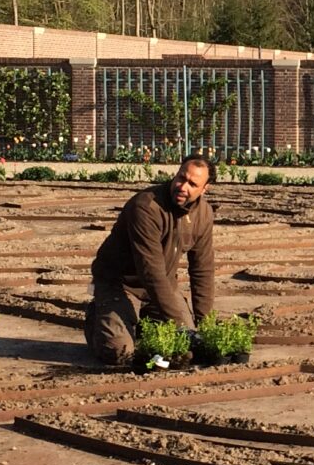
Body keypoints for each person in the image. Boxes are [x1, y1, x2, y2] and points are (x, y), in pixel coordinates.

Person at [86, 154, 217, 367]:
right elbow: (150, 270)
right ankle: (97, 321)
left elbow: (202, 269)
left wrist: (206, 326)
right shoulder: (147, 207)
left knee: (187, 350)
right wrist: (179, 325)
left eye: (193, 184)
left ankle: (141, 323)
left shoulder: (203, 214)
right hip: (121, 283)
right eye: (181, 178)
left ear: (204, 189)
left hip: (164, 284)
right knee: (120, 353)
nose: (183, 186)